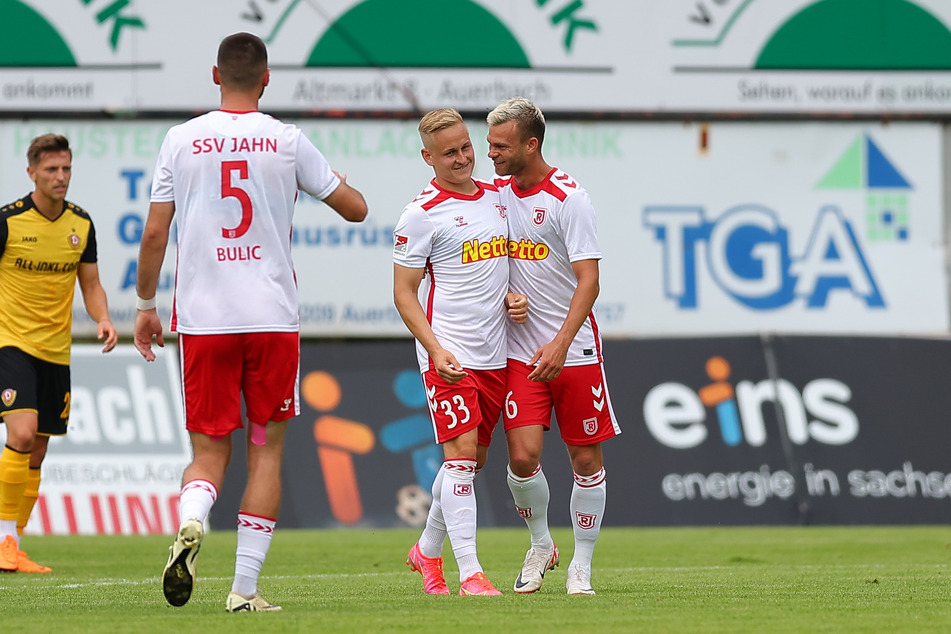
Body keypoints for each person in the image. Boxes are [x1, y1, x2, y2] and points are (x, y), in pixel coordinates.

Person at [133, 32, 367, 612]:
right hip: (270, 320)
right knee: (265, 451)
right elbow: (355, 208)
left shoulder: (180, 140)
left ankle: (192, 521)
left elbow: (156, 233)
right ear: (267, 79)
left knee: (210, 454)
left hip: (206, 323)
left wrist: (143, 307)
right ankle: (243, 591)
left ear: (216, 76)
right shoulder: (287, 141)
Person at [486, 97, 621, 595]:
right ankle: (541, 543)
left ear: (531, 143)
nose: (491, 154)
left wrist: (562, 342)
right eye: (489, 145)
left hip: (574, 349)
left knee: (586, 461)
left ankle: (582, 565)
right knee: (522, 457)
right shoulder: (493, 195)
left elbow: (590, 280)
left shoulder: (569, 198)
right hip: (521, 352)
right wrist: (506, 297)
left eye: (500, 146)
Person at [394, 108, 527, 597]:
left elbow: (508, 267)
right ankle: (471, 573)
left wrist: (515, 297)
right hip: (448, 355)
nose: (463, 158)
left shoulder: (498, 198)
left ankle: (426, 552)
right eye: (449, 153)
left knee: (471, 464)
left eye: (466, 147)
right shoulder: (421, 213)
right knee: (460, 459)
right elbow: (403, 293)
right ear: (427, 157)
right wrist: (435, 348)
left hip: (496, 353)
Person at [0, 133, 118, 573]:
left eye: (66, 169)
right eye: (51, 169)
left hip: (55, 352)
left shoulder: (80, 225)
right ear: (31, 172)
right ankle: (2, 541)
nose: (61, 177)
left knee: (37, 453)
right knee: (23, 433)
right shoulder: (8, 221)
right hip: (11, 343)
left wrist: (102, 317)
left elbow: (90, 283)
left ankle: (12, 542)